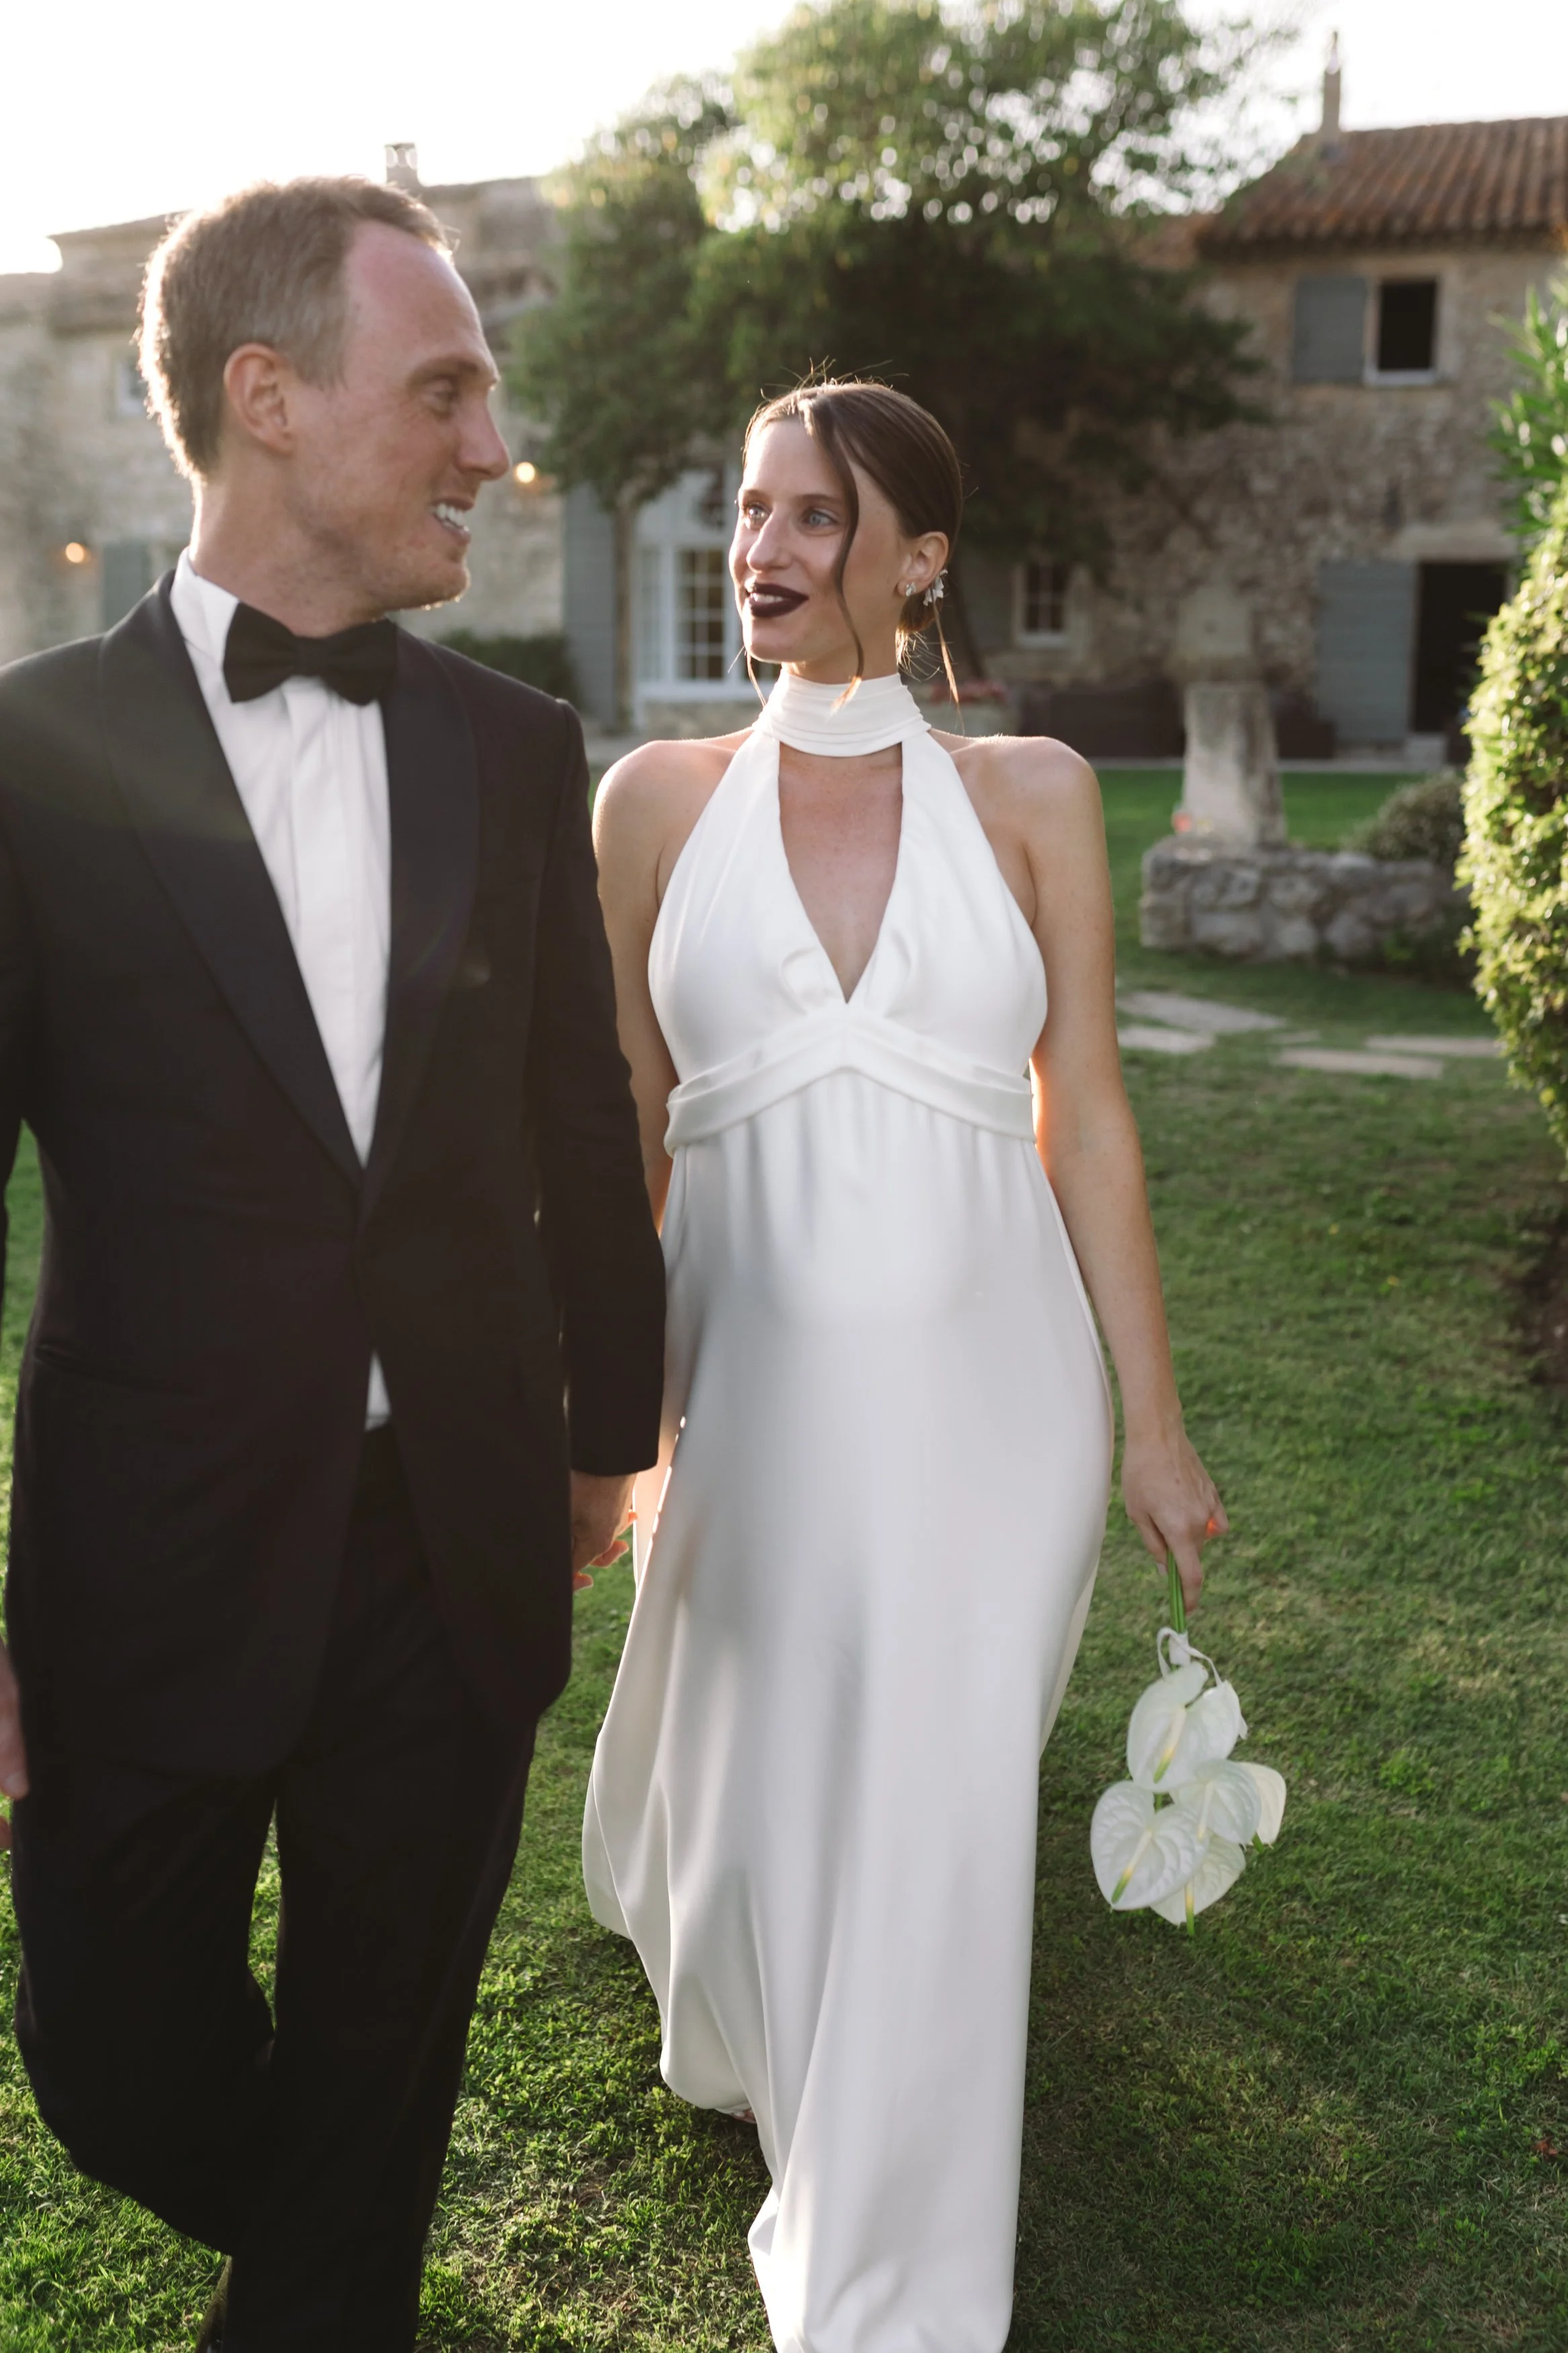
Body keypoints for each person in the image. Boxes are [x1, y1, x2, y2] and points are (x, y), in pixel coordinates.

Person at [0, 177, 664, 2352]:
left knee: (385, 2082)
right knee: (108, 2062)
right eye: (448, 389)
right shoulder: (25, 760)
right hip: (147, 1557)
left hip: (446, 1551)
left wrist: (600, 1440)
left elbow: (584, 1126)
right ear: (267, 401)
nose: (495, 444)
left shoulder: (510, 748)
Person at [581, 379, 1227, 2353]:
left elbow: (1087, 1114)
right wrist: (616, 1428)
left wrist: (1154, 1425)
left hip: (994, 1393)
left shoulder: (1028, 794)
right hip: (753, 1389)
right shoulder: (649, 803)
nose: (759, 550)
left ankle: (888, 2274)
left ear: (919, 556)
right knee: (778, 1773)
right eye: (749, 515)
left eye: (811, 517)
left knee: (933, 1793)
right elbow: (628, 1122)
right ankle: (764, 2016)